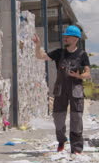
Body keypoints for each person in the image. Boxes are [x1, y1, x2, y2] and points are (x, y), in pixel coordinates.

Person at [32, 25, 91, 154]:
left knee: (76, 119)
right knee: (58, 119)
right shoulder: (59, 53)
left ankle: (76, 148)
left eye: (67, 36)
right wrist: (38, 45)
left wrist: (79, 76)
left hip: (76, 90)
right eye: (64, 36)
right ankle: (61, 141)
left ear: (75, 39)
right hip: (60, 90)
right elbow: (40, 56)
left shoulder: (82, 54)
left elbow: (88, 73)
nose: (65, 38)